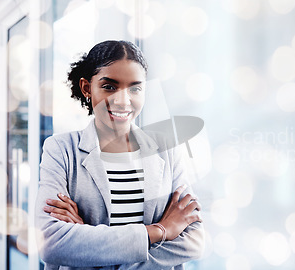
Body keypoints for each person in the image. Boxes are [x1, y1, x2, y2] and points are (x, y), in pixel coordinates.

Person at [34, 40, 204, 270]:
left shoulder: (166, 149)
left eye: (135, 88)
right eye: (110, 87)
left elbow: (193, 240)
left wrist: (87, 243)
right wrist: (160, 230)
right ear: (87, 88)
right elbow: (51, 243)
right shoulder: (61, 149)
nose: (123, 100)